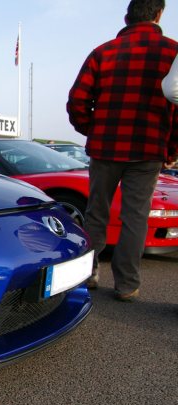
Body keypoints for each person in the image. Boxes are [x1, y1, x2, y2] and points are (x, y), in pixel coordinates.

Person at [67, 0, 178, 302]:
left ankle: (87, 273)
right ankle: (127, 284)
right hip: (148, 147)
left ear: (127, 17)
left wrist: (93, 129)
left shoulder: (103, 52)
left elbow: (77, 100)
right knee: (135, 217)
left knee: (96, 213)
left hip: (105, 146)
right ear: (159, 14)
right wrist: (171, 147)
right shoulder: (173, 52)